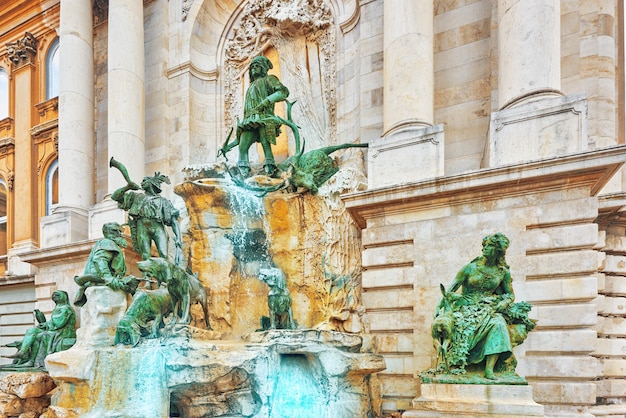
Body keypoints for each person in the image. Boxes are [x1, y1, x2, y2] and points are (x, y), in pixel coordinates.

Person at [436, 233, 518, 379]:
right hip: (465, 308)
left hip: (489, 308)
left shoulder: (503, 272)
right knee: (461, 326)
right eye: (484, 245)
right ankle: (457, 361)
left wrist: (503, 302)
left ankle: (489, 369)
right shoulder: (469, 268)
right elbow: (449, 291)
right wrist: (438, 309)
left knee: (498, 324)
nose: (485, 248)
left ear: (498, 250)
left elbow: (510, 295)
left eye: (489, 246)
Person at [222, 55, 289, 177]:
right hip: (250, 119)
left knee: (265, 142)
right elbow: (238, 140)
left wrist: (267, 101)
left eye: (257, 66)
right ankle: (243, 172)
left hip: (264, 117)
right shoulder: (251, 86)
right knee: (243, 146)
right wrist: (228, 146)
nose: (254, 69)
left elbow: (283, 92)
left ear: (263, 68)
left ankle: (270, 168)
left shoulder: (269, 79)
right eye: (252, 67)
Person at [111, 172, 183, 263]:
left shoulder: (163, 201)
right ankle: (146, 276)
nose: (141, 183)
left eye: (144, 181)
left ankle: (164, 276)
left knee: (163, 254)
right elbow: (115, 196)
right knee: (145, 255)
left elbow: (173, 221)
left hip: (158, 227)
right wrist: (127, 187)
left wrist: (178, 239)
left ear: (151, 183)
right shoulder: (136, 197)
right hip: (142, 227)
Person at [4, 290, 76, 369]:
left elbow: (59, 323)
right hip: (55, 330)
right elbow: (54, 322)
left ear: (63, 297)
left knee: (39, 336)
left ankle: (31, 361)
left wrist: (47, 324)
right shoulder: (58, 308)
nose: (55, 297)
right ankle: (22, 352)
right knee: (31, 331)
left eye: (57, 295)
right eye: (54, 295)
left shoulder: (66, 308)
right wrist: (45, 324)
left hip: (64, 332)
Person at [73, 222, 139, 306]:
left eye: (119, 231)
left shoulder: (106, 243)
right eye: (114, 231)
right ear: (106, 232)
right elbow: (100, 260)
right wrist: (109, 278)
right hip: (103, 280)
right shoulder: (107, 242)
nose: (118, 234)